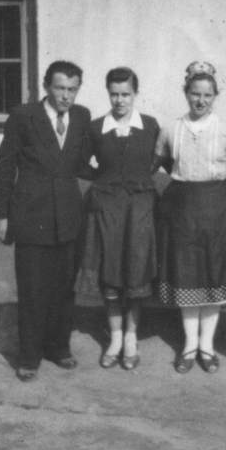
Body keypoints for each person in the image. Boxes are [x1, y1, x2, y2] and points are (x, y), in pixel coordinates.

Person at [0, 60, 92, 381]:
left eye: (72, 89)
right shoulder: (24, 117)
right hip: (31, 217)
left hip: (68, 217)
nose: (66, 96)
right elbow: (4, 167)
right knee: (33, 291)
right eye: (60, 88)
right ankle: (29, 357)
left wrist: (115, 173)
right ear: (46, 86)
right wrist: (4, 215)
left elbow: (81, 163)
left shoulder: (81, 116)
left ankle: (59, 348)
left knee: (64, 290)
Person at [154, 61, 226, 373]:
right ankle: (190, 346)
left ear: (215, 96)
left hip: (218, 209)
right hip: (182, 209)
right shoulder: (171, 129)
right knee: (187, 276)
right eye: (195, 93)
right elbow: (161, 161)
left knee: (213, 275)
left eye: (207, 95)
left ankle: (207, 346)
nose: (201, 100)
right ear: (186, 93)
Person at [78, 67, 160, 370]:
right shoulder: (95, 127)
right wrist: (104, 178)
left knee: (136, 272)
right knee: (109, 273)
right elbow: (80, 163)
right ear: (108, 94)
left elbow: (160, 157)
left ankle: (130, 338)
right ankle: (114, 338)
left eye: (126, 94)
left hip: (139, 210)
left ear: (135, 93)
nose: (120, 100)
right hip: (107, 210)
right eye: (114, 94)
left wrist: (140, 178)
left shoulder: (149, 126)